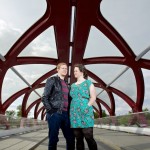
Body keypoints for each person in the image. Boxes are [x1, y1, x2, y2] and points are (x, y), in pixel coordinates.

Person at [42, 62, 75, 150]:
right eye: (63, 68)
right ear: (58, 69)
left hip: (66, 114)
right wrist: (51, 111)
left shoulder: (67, 85)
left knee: (71, 138)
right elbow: (44, 97)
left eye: (66, 68)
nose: (65, 70)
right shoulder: (52, 80)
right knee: (53, 139)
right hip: (55, 113)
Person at [70, 64, 97, 150]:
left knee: (88, 136)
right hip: (74, 113)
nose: (74, 72)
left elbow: (93, 97)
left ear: (82, 71)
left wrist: (87, 106)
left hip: (86, 111)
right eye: (74, 71)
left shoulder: (88, 83)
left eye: (76, 71)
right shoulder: (72, 85)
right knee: (78, 138)